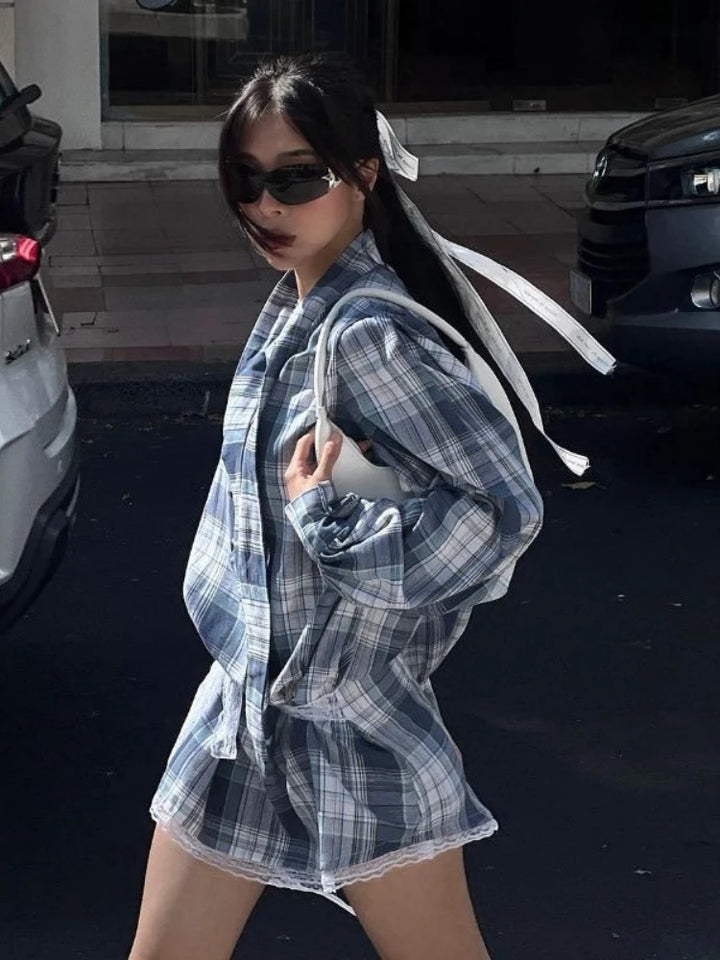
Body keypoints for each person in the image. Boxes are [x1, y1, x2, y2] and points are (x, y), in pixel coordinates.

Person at [127, 54, 588, 960]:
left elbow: (502, 512)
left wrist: (328, 522)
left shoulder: (370, 334)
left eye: (297, 178)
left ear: (364, 175)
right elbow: (360, 486)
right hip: (242, 718)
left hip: (351, 726)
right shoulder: (295, 313)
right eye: (245, 180)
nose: (266, 206)